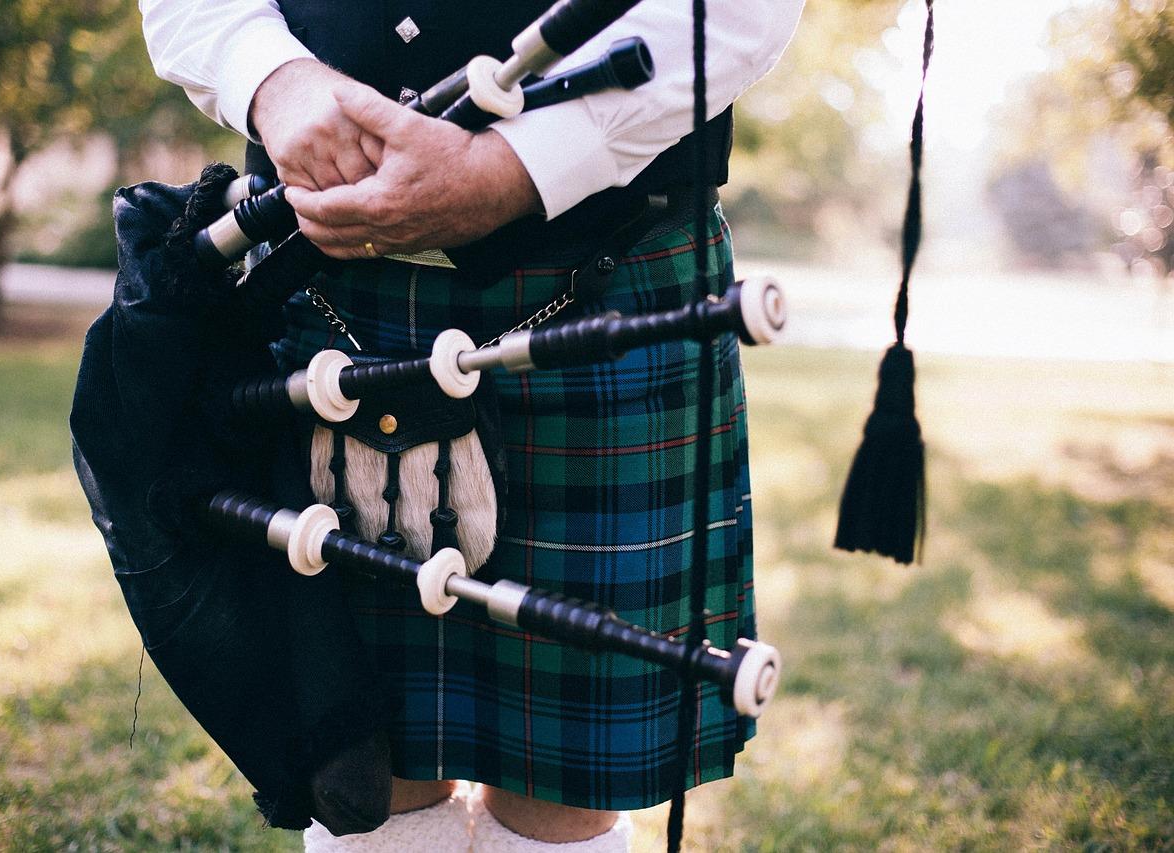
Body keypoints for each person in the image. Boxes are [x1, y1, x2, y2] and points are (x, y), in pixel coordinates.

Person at [138, 1, 802, 849]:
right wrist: (275, 78)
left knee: (569, 785)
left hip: (608, 267)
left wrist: (517, 167)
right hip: (322, 283)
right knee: (367, 760)